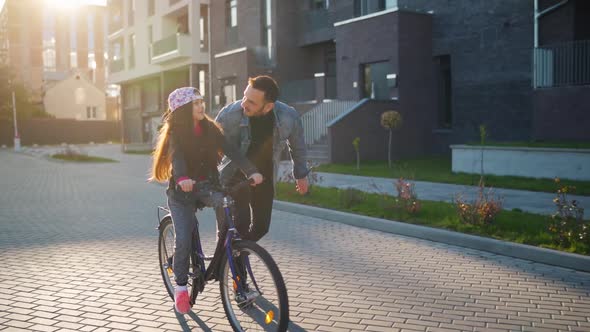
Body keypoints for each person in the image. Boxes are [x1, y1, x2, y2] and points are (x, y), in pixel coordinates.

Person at [149, 87, 263, 314]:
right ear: (183, 110)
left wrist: (251, 170)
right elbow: (178, 157)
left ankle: (229, 273)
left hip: (208, 187)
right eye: (195, 103)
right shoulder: (176, 133)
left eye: (202, 101)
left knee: (229, 221)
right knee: (183, 238)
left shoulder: (210, 129)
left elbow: (232, 150)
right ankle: (181, 289)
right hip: (182, 193)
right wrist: (181, 177)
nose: (201, 106)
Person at [215, 75, 309, 242]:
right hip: (234, 177)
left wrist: (301, 175)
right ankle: (229, 262)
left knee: (261, 228)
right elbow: (211, 144)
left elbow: (298, 146)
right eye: (244, 96)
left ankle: (239, 254)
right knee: (238, 226)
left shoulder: (288, 117)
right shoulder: (230, 114)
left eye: (252, 102)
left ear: (268, 106)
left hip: (264, 177)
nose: (244, 103)